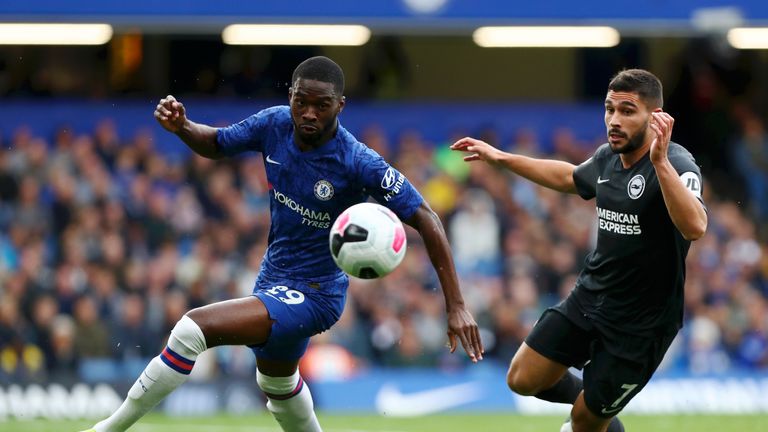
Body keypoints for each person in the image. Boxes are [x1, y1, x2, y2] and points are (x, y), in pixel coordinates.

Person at [80, 56, 483, 432]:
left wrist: (457, 304)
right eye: (300, 101)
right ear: (290, 96)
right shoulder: (273, 125)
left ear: (340, 105)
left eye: (321, 105)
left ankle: (108, 428)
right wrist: (184, 127)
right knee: (276, 384)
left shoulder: (358, 161)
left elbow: (426, 217)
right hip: (273, 278)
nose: (308, 113)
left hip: (316, 295)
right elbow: (217, 144)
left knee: (192, 329)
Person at [451, 69, 707, 432]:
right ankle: (597, 402)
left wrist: (661, 164)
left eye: (628, 111)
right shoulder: (608, 158)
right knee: (522, 378)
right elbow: (569, 177)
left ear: (656, 118)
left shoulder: (679, 164)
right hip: (591, 297)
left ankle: (595, 411)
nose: (614, 120)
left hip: (641, 324)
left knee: (584, 422)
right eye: (609, 109)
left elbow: (695, 226)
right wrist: (501, 158)